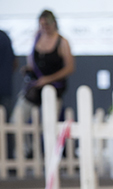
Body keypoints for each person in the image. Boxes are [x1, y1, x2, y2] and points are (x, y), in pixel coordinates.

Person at [10, 10, 74, 157]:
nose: (44, 27)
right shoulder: (37, 38)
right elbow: (32, 60)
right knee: (16, 120)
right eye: (41, 24)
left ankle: (46, 157)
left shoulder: (62, 42)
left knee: (48, 126)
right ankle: (25, 154)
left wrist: (49, 79)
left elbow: (70, 67)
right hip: (34, 88)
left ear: (54, 23)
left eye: (47, 24)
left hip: (53, 89)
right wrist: (29, 69)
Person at [0, 29, 16, 119]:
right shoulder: (5, 37)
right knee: (5, 123)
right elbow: (14, 63)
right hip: (6, 88)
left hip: (4, 89)